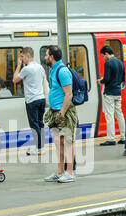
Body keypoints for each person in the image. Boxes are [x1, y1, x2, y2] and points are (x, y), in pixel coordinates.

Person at [43, 45, 78, 183]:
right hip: (54, 111)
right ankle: (60, 171)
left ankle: (70, 172)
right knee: (58, 142)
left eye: (46, 55)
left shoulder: (62, 71)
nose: (45, 57)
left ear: (51, 57)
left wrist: (62, 113)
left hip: (64, 111)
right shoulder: (53, 70)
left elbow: (69, 94)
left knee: (67, 141)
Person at [13, 47, 47, 156]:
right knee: (40, 123)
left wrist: (18, 65)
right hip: (41, 98)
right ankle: (42, 146)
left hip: (32, 100)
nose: (21, 59)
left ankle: (39, 148)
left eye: (22, 56)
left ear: (28, 55)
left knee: (34, 125)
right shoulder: (40, 67)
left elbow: (14, 80)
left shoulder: (26, 69)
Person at [97, 45, 126, 145]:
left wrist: (101, 80)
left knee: (109, 116)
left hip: (109, 93)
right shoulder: (120, 63)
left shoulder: (108, 63)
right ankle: (123, 137)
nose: (103, 58)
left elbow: (107, 79)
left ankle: (111, 138)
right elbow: (123, 79)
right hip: (118, 92)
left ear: (106, 54)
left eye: (103, 56)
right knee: (120, 115)